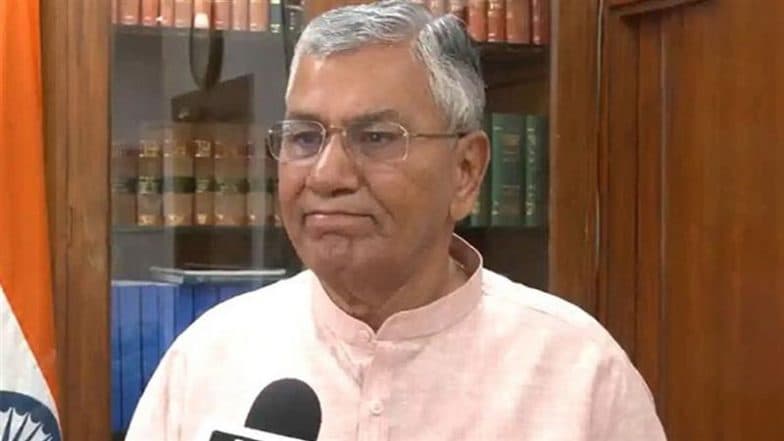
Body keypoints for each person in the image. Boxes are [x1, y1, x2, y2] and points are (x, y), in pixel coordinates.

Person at [126, 1, 667, 439]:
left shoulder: (580, 374)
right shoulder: (209, 357)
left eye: (376, 138)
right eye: (305, 137)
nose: (327, 175)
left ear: (465, 171)